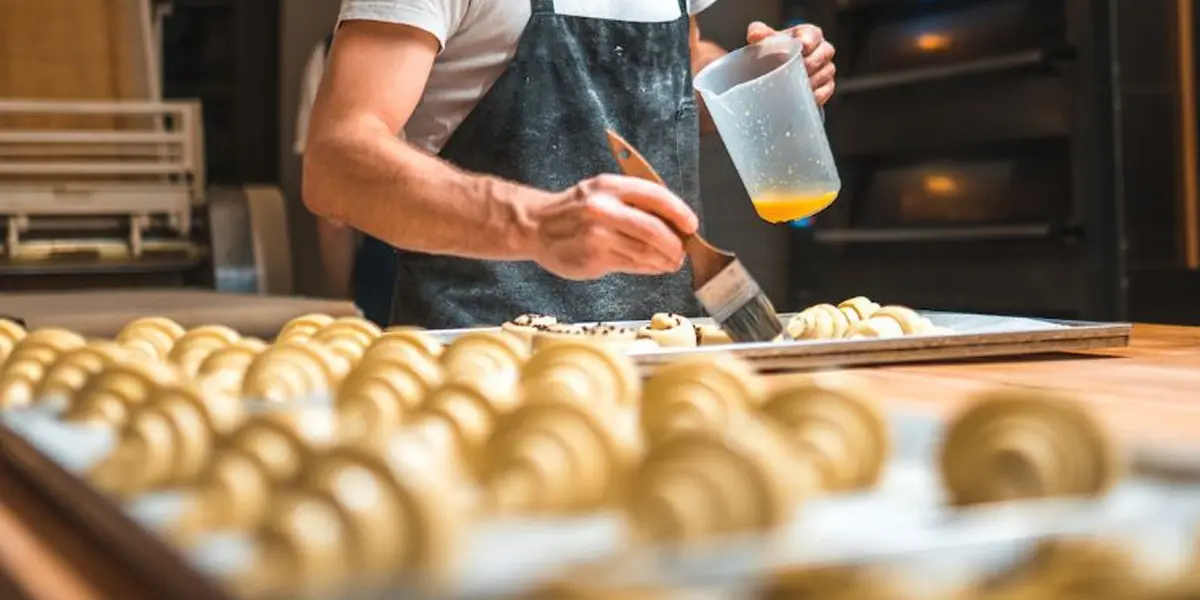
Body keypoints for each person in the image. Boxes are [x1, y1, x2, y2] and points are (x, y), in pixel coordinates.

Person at [303, 0, 837, 329]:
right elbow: (335, 161)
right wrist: (534, 224)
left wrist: (750, 78)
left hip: (665, 354)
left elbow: (681, 60)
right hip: (485, 368)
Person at [294, 33, 397, 326]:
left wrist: (343, 300)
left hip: (382, 260)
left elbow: (332, 208)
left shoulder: (334, 55)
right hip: (385, 263)